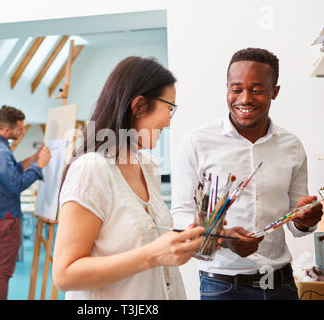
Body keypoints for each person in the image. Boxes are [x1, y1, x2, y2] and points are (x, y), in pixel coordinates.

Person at [171, 48, 323, 300]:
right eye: (236, 89)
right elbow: (180, 213)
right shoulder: (197, 141)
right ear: (226, 89)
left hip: (280, 284)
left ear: (275, 92)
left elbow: (297, 225)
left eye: (257, 89)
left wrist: (305, 220)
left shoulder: (292, 145)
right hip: (221, 285)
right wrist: (220, 236)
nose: (244, 98)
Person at [53, 56, 211, 300]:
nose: (170, 121)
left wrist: (185, 243)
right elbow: (65, 275)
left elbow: (150, 247)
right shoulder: (91, 169)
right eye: (169, 108)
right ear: (138, 105)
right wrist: (152, 255)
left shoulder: (147, 166)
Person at [0, 106, 51, 300]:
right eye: (20, 129)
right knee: (3, 273)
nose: (23, 131)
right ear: (7, 129)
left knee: (2, 271)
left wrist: (33, 159)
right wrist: (39, 166)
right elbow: (16, 184)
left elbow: (12, 170)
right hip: (5, 218)